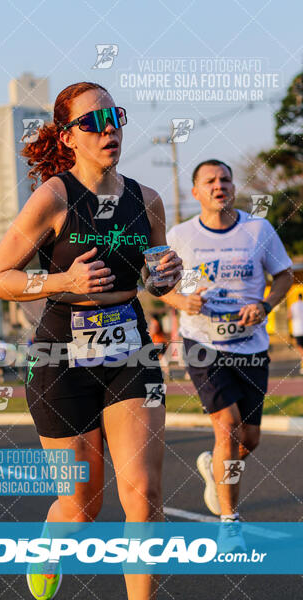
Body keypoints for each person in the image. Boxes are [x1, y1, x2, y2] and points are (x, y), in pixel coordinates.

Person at [0, 82, 182, 600]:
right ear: (69, 137)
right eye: (92, 122)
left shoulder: (148, 200)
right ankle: (50, 546)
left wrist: (167, 276)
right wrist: (61, 281)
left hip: (131, 348)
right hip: (60, 354)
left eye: (113, 116)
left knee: (143, 494)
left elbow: (158, 276)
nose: (108, 128)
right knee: (81, 507)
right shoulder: (53, 196)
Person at [163, 159, 293, 549]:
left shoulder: (259, 229)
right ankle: (229, 522)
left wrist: (266, 306)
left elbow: (284, 275)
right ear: (196, 193)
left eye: (225, 179)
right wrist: (180, 301)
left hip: (251, 345)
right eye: (210, 181)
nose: (219, 185)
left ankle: (212, 465)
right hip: (203, 344)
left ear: (234, 187)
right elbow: (158, 283)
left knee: (248, 439)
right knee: (228, 425)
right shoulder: (180, 235)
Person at [288, 293, 303, 374]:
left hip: (297, 330)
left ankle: (302, 367)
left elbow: (289, 316)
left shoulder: (293, 305)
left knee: (301, 349)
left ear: (297, 298)